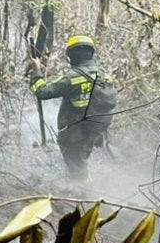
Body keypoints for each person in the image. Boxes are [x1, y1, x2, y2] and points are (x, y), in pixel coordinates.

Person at [28, 34, 116, 183]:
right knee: (80, 159)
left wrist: (37, 71)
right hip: (97, 127)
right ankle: (83, 182)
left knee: (76, 164)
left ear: (71, 56)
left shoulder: (72, 78)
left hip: (77, 131)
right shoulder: (105, 75)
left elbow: (42, 92)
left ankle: (83, 194)